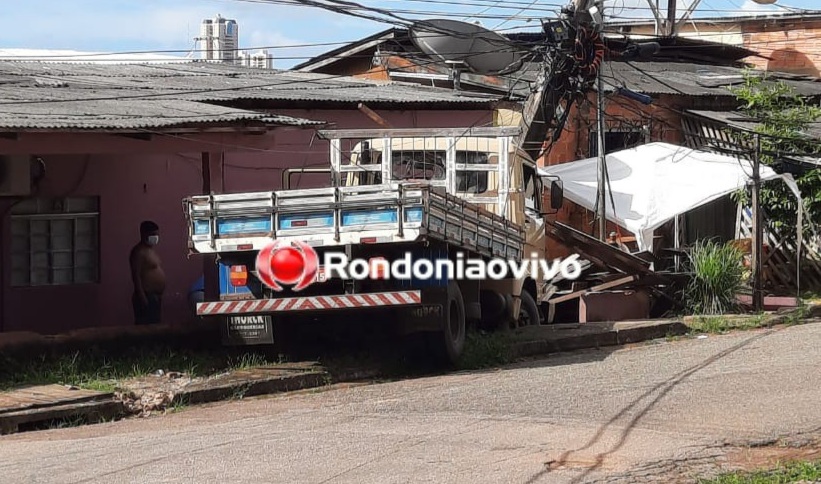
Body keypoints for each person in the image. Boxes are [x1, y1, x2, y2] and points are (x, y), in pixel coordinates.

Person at [130, 221, 166, 324]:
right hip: (146, 296)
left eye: (157, 234)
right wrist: (142, 296)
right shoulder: (138, 252)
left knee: (155, 325)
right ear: (144, 234)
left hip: (155, 296)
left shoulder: (150, 250)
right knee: (146, 327)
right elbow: (135, 275)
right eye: (153, 234)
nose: (156, 237)